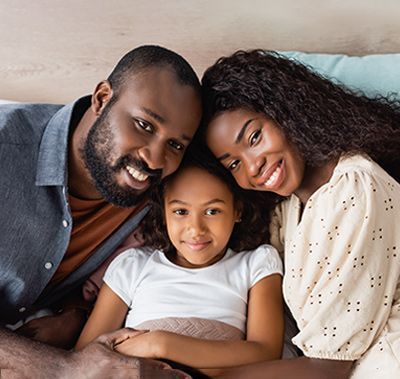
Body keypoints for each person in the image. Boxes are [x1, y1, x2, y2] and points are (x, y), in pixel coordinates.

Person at [0, 45, 201, 378]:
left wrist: (75, 314)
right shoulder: (6, 150)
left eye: (175, 145)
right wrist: (66, 368)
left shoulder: (162, 194)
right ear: (102, 98)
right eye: (144, 125)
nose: (154, 159)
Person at [200, 50, 400, 378]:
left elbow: (327, 368)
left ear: (286, 112)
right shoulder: (288, 208)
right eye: (233, 163)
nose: (253, 166)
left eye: (254, 137)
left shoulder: (355, 186)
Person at [75, 151, 285, 377]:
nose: (196, 229)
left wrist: (158, 344)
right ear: (164, 213)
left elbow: (265, 351)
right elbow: (84, 360)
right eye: (180, 211)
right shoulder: (133, 265)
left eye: (212, 211)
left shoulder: (256, 264)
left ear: (238, 211)